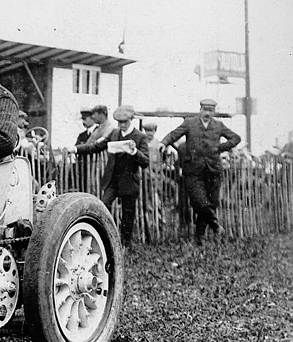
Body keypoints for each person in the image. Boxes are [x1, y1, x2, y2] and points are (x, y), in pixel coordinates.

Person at [161, 98, 242, 243]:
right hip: (193, 169)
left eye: (211, 110)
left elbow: (236, 138)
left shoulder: (219, 125)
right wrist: (164, 143)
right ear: (200, 110)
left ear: (214, 112)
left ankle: (200, 236)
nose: (207, 113)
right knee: (199, 201)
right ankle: (216, 226)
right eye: (205, 110)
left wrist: (220, 148)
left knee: (212, 202)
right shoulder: (190, 123)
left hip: (213, 169)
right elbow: (174, 134)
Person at [69, 105, 149, 247]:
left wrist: (134, 151)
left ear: (131, 120)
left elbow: (145, 162)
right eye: (120, 122)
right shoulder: (114, 134)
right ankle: (105, 240)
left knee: (127, 215)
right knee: (103, 207)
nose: (122, 125)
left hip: (129, 182)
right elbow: (95, 147)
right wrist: (76, 149)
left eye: (125, 122)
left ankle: (125, 245)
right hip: (113, 180)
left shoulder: (140, 137)